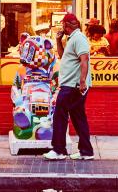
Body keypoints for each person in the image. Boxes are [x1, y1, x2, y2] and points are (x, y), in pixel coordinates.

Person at [43, 13, 94, 161]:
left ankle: (59, 150)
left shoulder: (79, 38)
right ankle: (86, 151)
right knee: (78, 117)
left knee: (60, 114)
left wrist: (82, 82)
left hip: (73, 85)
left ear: (67, 25)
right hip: (72, 84)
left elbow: (84, 61)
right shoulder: (72, 39)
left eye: (63, 25)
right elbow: (63, 55)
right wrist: (58, 40)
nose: (62, 28)